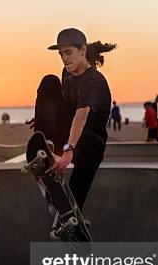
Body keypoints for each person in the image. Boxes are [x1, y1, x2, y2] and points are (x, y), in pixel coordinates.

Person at [36, 28, 114, 211]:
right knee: (49, 81)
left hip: (89, 142)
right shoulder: (66, 73)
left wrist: (68, 149)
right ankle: (45, 146)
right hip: (70, 131)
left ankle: (72, 210)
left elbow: (81, 115)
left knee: (90, 147)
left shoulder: (94, 80)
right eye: (61, 54)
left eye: (68, 52)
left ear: (83, 50)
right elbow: (61, 102)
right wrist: (42, 115)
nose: (64, 58)